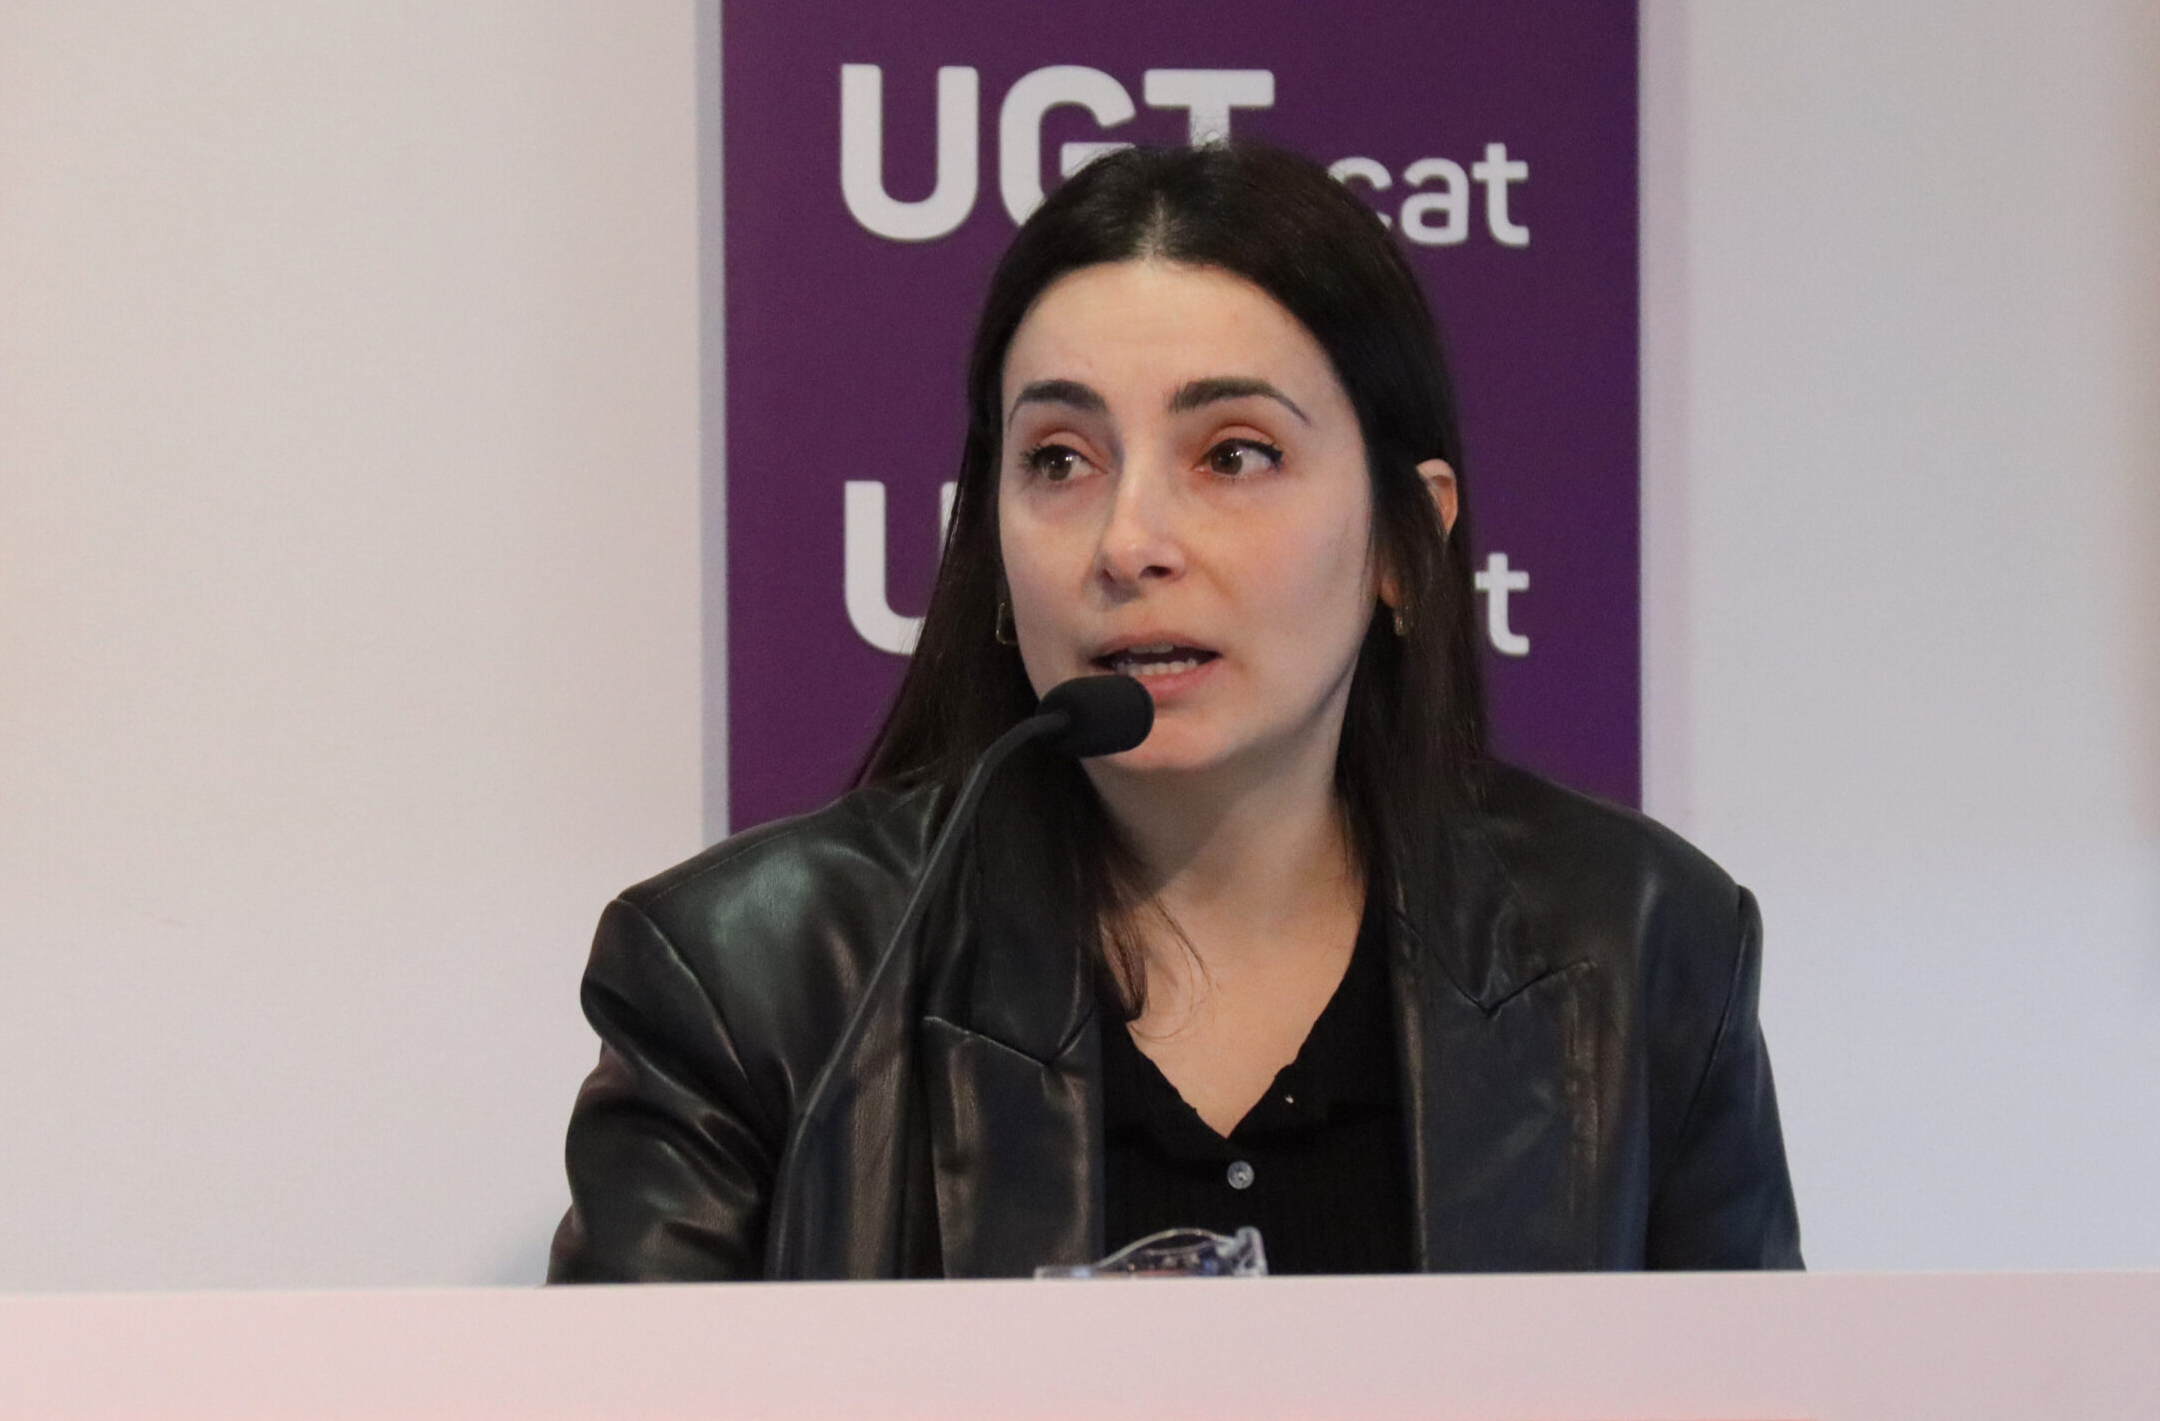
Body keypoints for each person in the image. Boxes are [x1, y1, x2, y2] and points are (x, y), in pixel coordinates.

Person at [549, 142, 1800, 1281]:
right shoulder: (748, 985)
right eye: (1058, 460)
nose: (1127, 540)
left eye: (1233, 454)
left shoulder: (1641, 951)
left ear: (1403, 544)